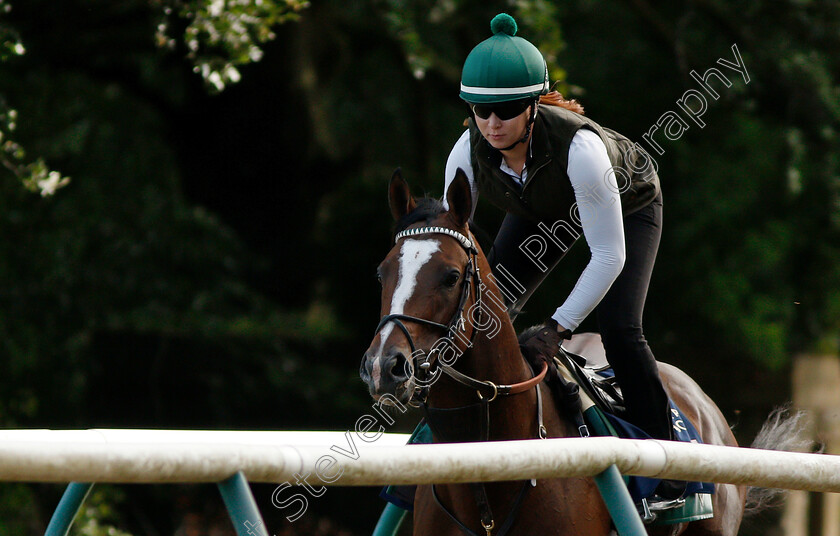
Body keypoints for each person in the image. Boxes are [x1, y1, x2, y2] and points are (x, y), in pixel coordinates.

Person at [443, 13, 684, 500]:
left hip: (627, 201)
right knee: (483, 316)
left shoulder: (583, 150)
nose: (491, 124)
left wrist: (556, 328)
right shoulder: (463, 156)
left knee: (620, 327)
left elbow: (609, 256)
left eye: (507, 109)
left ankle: (669, 468)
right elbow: (453, 249)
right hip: (537, 202)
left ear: (533, 106)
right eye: (480, 111)